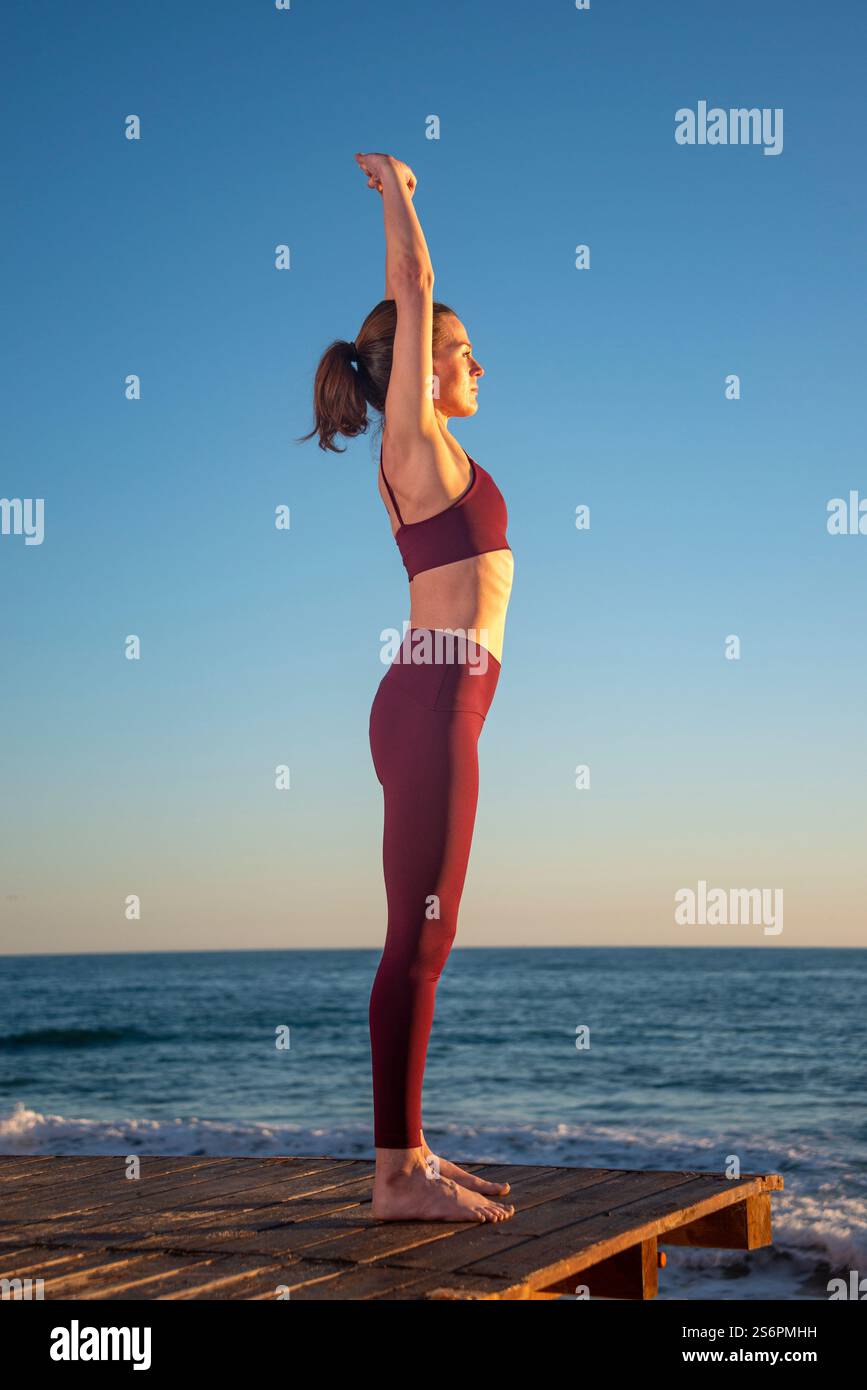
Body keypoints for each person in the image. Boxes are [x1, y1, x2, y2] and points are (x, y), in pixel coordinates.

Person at [301, 152, 515, 1222]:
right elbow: (416, 293)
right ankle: (396, 1176)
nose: (481, 370)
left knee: (432, 930)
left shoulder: (436, 453)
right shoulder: (415, 442)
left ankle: (410, 1153)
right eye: (466, 355)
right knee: (419, 935)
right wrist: (402, 196)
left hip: (442, 699)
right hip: (432, 700)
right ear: (428, 365)